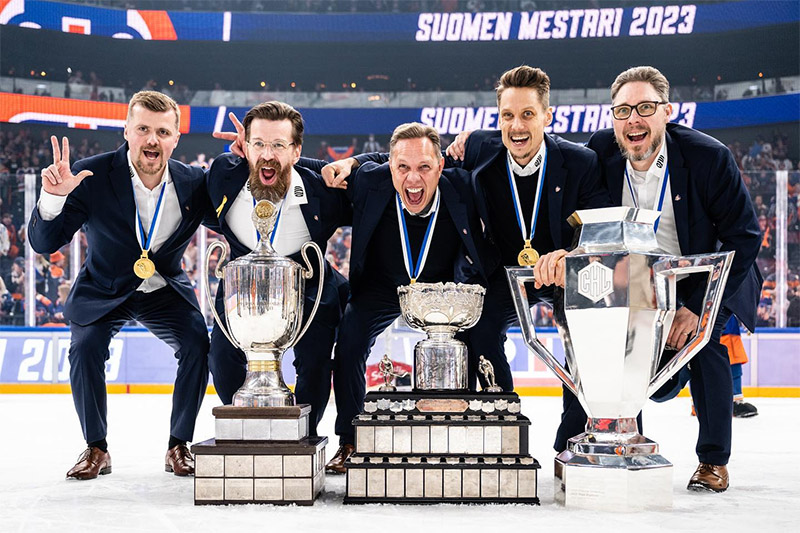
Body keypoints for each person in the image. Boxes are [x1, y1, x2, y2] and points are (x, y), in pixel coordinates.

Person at [534, 66, 762, 493]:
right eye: (622, 110)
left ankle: (713, 460)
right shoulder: (599, 151)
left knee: (706, 343)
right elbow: (545, 147)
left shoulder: (707, 157)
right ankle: (581, 448)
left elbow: (745, 236)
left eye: (644, 108)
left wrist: (696, 308)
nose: (633, 119)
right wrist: (475, 139)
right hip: (633, 279)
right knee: (592, 345)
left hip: (698, 277)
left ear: (666, 112)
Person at [322, 66, 610, 393]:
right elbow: (416, 158)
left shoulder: (581, 161)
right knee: (480, 329)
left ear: (547, 117)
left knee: (580, 341)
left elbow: (602, 229)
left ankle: (576, 423)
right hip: (506, 274)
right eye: (508, 115)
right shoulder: (480, 148)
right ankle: (500, 414)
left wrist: (572, 255)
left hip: (562, 271)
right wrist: (354, 162)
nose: (516, 126)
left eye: (528, 114)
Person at [28, 91, 213, 480]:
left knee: (198, 343)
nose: (152, 140)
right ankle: (96, 448)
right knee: (85, 348)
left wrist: (245, 163)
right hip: (104, 289)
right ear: (126, 130)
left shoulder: (194, 182)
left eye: (162, 132)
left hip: (164, 290)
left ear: (175, 138)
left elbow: (232, 214)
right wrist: (52, 198)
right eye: (143, 129)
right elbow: (45, 243)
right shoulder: (91, 175)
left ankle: (178, 444)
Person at [320, 122, 489, 473]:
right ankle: (349, 440)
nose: (413, 178)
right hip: (381, 286)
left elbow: (502, 152)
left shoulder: (464, 184)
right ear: (390, 168)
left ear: (440, 166)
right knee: (349, 342)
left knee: (474, 340)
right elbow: (307, 166)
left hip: (441, 288)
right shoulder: (370, 180)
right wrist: (255, 155)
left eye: (424, 167)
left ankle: (460, 435)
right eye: (402, 168)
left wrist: (474, 137)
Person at [205, 102, 351, 438]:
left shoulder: (323, 191)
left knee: (314, 361)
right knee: (221, 358)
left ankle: (303, 435)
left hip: (308, 287)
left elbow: (382, 170)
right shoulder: (224, 175)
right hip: (244, 289)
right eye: (258, 144)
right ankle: (248, 427)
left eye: (278, 145)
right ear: (244, 146)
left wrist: (347, 163)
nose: (267, 155)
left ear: (297, 151)